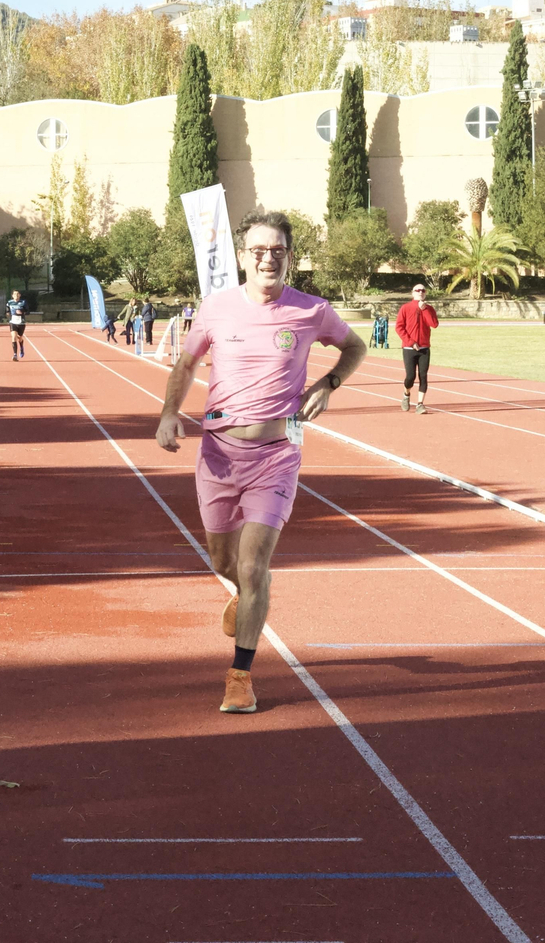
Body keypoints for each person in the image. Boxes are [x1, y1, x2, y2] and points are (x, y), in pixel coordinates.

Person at [156, 210, 368, 714]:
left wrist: (329, 383)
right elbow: (186, 363)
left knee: (254, 567)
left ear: (290, 256)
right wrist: (168, 414)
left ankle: (240, 676)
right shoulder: (216, 308)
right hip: (218, 454)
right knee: (224, 563)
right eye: (258, 250)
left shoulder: (312, 311)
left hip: (278, 455)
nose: (267, 258)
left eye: (277, 250)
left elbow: (354, 346)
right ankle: (244, 592)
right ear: (242, 256)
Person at [395, 283, 438, 413]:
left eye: (423, 290)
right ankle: (406, 394)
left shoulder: (429, 309)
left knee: (423, 376)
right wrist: (410, 342)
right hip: (409, 349)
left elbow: (434, 324)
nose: (420, 292)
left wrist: (424, 310)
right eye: (417, 290)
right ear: (413, 293)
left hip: (424, 348)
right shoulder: (405, 308)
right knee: (410, 376)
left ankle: (420, 404)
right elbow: (399, 327)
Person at [6, 289, 28, 360]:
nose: (16, 295)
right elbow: (7, 310)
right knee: (14, 337)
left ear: (20, 295)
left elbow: (27, 311)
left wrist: (21, 312)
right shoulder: (9, 302)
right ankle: (15, 354)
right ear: (12, 295)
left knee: (19, 337)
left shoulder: (23, 302)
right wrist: (8, 314)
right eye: (15, 294)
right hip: (13, 322)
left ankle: (21, 347)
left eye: (17, 294)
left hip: (21, 323)